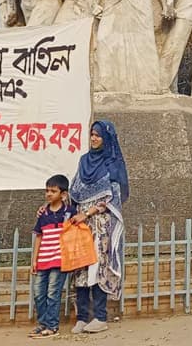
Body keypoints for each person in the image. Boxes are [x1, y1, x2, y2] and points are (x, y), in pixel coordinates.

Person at [68, 121, 129, 335]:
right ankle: (82, 318)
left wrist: (88, 213)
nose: (94, 138)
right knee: (80, 271)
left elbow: (112, 198)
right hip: (80, 225)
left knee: (97, 270)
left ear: (107, 139)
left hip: (100, 224)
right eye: (92, 134)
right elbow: (74, 191)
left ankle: (100, 317)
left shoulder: (112, 164)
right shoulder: (84, 161)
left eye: (98, 135)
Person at [29, 175, 73, 338]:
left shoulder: (69, 212)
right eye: (47, 190)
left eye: (53, 191)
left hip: (59, 260)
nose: (48, 194)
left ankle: (53, 326)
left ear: (63, 194)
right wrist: (34, 260)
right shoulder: (43, 213)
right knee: (39, 293)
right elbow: (39, 236)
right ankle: (43, 323)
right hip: (43, 260)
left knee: (52, 293)